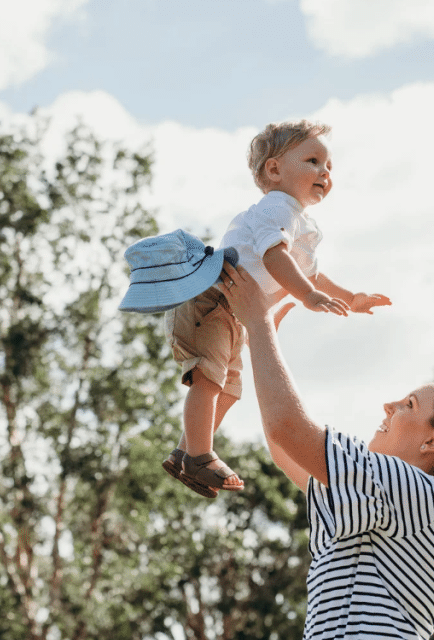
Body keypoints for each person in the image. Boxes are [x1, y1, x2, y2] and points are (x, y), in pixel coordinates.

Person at [218, 262, 434, 640]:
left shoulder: (415, 490)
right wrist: (261, 343)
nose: (388, 405)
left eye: (408, 404)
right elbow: (285, 445)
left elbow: (288, 429)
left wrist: (258, 321)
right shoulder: (393, 498)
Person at [159, 119, 390, 497]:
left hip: (233, 311)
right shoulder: (277, 208)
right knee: (209, 379)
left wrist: (351, 297)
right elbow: (274, 257)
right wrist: (306, 296)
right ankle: (199, 455)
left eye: (329, 167)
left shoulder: (300, 222)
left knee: (230, 389)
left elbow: (311, 275)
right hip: (210, 298)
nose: (325, 172)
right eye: (314, 161)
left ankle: (186, 451)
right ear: (275, 169)